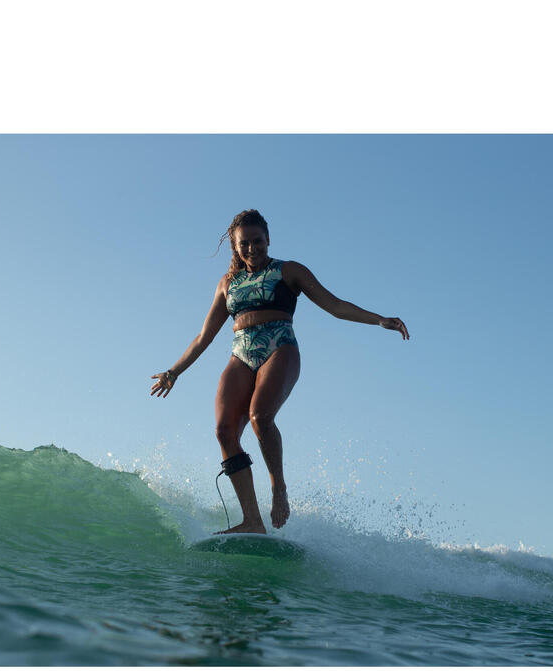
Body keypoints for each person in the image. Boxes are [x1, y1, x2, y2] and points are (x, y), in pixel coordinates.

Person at [150, 209, 409, 535]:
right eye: (245, 243)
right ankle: (252, 521)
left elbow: (335, 305)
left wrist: (379, 319)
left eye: (258, 241)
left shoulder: (289, 271)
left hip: (280, 349)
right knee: (224, 431)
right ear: (235, 245)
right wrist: (174, 371)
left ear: (268, 240)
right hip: (240, 356)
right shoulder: (227, 283)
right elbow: (204, 337)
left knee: (260, 417)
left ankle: (278, 488)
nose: (252, 248)